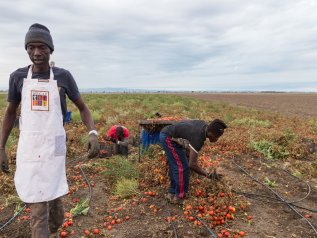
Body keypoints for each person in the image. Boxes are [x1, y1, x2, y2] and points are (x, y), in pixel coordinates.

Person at [0, 23, 100, 238]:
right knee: (38, 210)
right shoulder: (18, 77)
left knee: (53, 202)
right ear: (26, 49)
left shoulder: (63, 77)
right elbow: (10, 113)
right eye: (31, 47)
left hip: (53, 148)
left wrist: (93, 133)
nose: (36, 53)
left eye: (42, 47)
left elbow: (83, 108)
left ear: (50, 49)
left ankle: (54, 226)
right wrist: (1, 147)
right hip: (29, 149)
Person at [159, 119, 227, 204]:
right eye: (217, 137)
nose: (217, 139)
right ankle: (180, 197)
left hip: (172, 137)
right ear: (211, 133)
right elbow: (192, 165)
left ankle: (172, 193)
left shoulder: (204, 126)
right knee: (182, 168)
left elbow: (188, 137)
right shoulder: (198, 138)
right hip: (168, 138)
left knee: (178, 165)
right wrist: (208, 175)